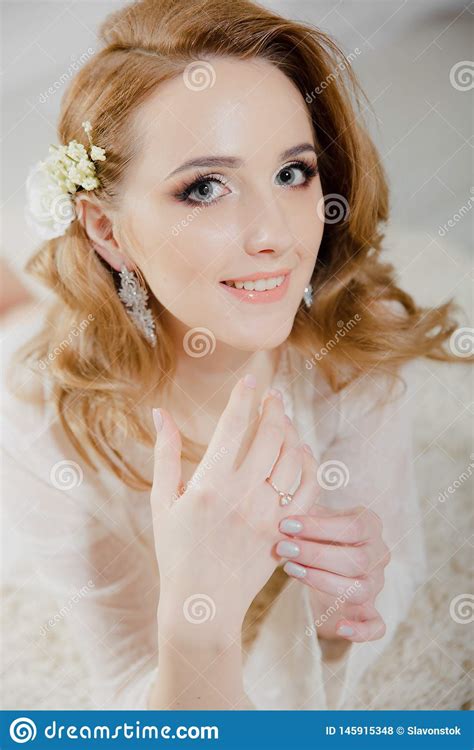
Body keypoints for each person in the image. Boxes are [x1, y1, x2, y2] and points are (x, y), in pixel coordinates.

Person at [1, 0, 462, 710]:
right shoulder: (40, 417)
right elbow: (139, 699)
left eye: (292, 173)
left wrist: (345, 600)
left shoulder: (347, 343)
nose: (276, 235)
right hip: (32, 349)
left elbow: (370, 597)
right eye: (206, 187)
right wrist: (200, 620)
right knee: (19, 315)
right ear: (106, 228)